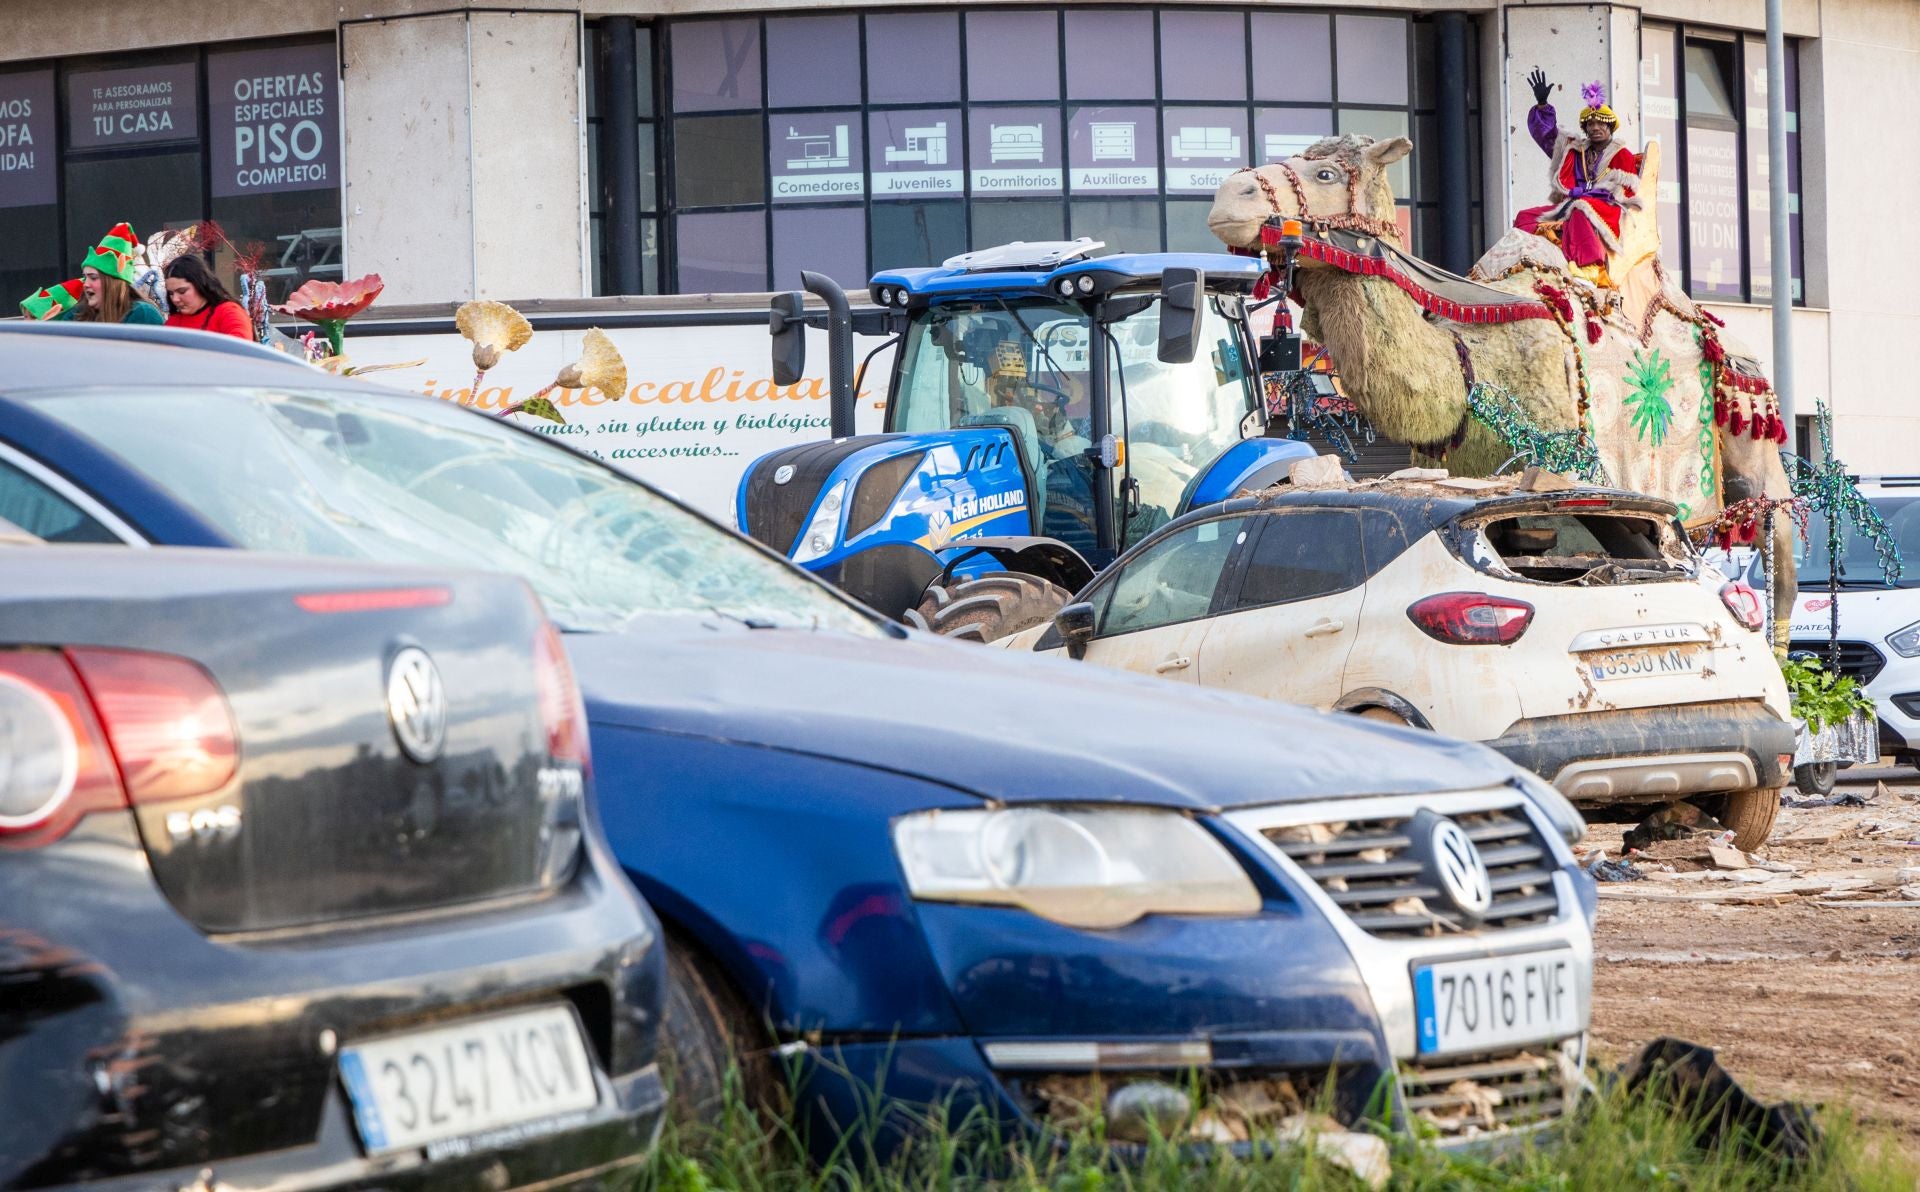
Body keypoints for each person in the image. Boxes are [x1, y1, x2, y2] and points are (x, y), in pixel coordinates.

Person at [1513, 72, 1641, 286]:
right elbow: (1547, 137)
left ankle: (1590, 269)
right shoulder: (1575, 150)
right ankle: (1524, 261)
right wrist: (1543, 105)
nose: (1595, 128)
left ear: (1610, 127)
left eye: (1601, 123)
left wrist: (1589, 195)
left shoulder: (1622, 154)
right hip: (1571, 204)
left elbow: (1625, 192)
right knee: (1525, 216)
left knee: (1581, 207)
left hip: (1607, 209)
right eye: (1590, 124)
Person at [62, 223, 165, 325]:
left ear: (113, 282)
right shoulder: (77, 314)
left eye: (93, 278)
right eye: (85, 277)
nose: (86, 284)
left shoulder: (143, 314)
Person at [164, 255, 253, 340]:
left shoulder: (228, 312)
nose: (175, 299)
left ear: (200, 285)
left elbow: (240, 348)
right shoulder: (174, 322)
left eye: (182, 291)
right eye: (171, 293)